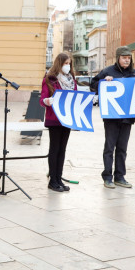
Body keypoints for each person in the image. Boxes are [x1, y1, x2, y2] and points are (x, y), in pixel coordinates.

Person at [90, 46, 135, 189]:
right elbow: (93, 84)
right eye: (124, 58)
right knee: (109, 147)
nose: (127, 60)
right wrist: (103, 82)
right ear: (118, 58)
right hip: (112, 117)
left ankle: (120, 176)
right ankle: (107, 177)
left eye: (129, 58)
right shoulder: (108, 71)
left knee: (122, 148)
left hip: (127, 118)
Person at [40, 53, 74, 192]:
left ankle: (59, 178)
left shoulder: (71, 80)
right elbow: (42, 99)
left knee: (62, 149)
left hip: (67, 119)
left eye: (69, 63)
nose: (68, 66)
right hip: (54, 119)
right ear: (59, 64)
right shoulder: (50, 79)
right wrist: (47, 101)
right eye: (65, 63)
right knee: (54, 149)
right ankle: (52, 180)